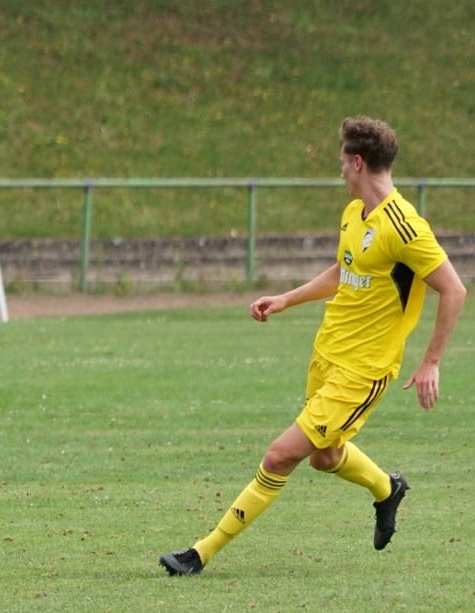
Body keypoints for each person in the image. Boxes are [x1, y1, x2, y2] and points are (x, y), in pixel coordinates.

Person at [160, 117, 467, 576]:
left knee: (279, 455)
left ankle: (199, 553)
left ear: (358, 162)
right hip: (328, 354)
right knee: (325, 457)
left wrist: (431, 362)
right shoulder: (354, 213)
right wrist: (287, 298)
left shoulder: (405, 227)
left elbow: (454, 289)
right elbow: (345, 269)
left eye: (342, 161)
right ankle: (388, 489)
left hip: (363, 371)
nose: (339, 170)